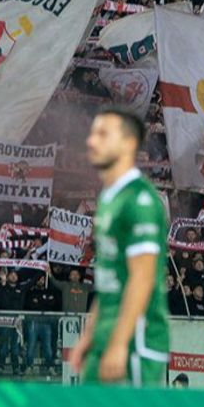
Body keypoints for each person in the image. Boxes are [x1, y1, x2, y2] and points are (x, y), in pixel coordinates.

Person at [69, 106, 170, 386]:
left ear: (128, 144)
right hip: (106, 334)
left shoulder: (141, 200)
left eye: (103, 134)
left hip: (134, 339)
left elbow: (142, 276)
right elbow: (109, 279)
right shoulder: (109, 200)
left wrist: (119, 343)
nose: (91, 141)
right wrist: (88, 336)